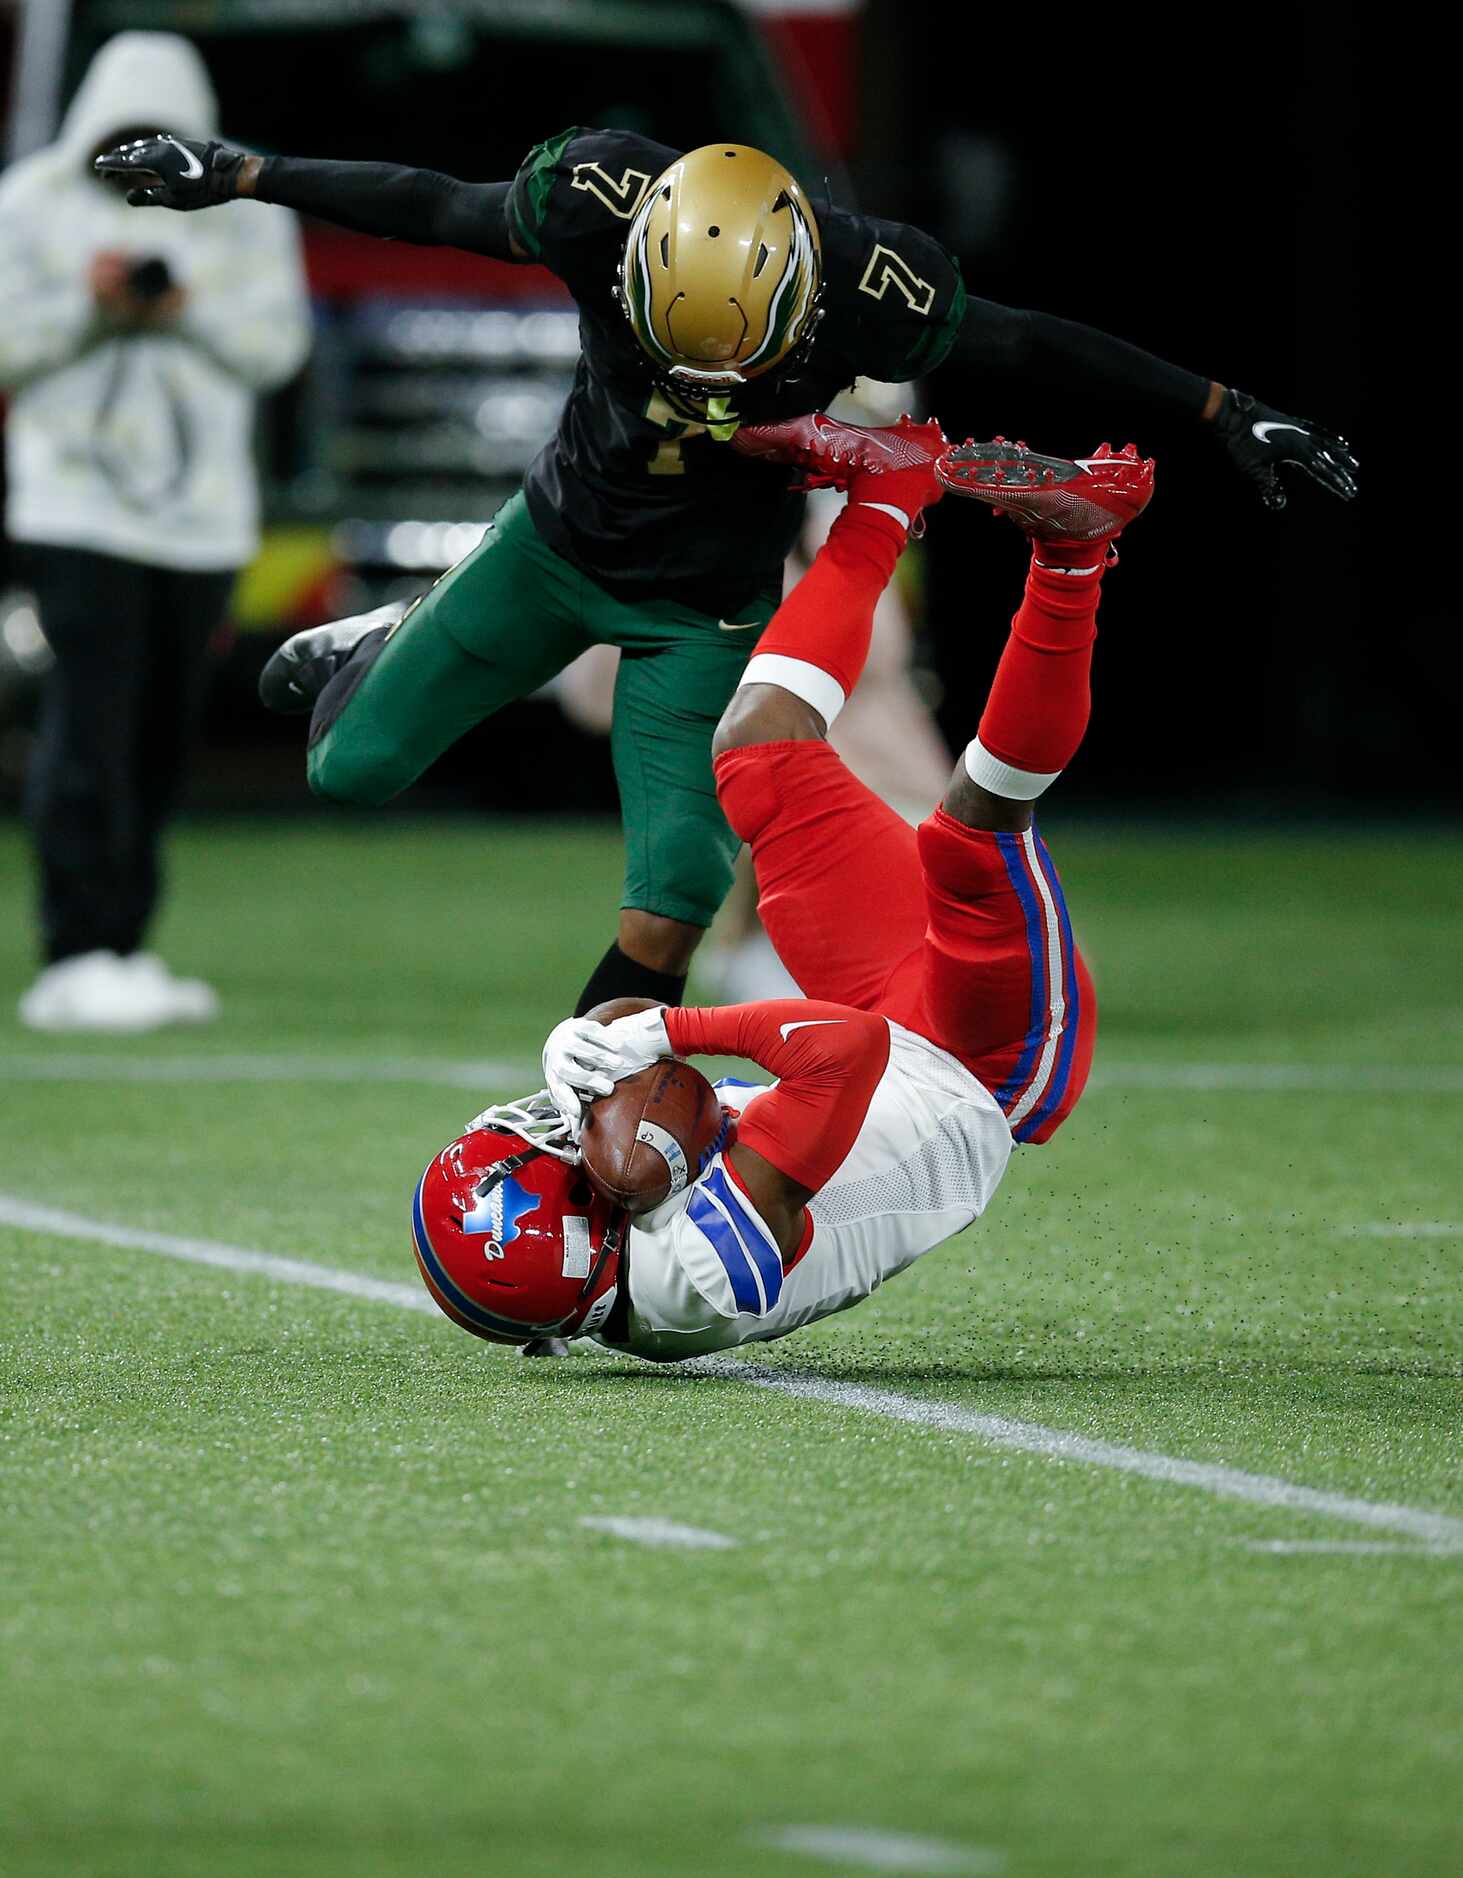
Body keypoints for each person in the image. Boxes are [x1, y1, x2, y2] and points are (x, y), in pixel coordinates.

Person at [95, 125, 1357, 1023]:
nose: (705, 392)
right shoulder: (591, 198)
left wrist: (1219, 406)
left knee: (676, 896)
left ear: (803, 305)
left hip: (702, 610)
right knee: (347, 770)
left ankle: (575, 1134)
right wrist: (241, 174)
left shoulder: (874, 284)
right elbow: (428, 200)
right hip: (555, 545)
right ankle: (388, 634)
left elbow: (1032, 340)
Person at [408, 412, 1146, 1359]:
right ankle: (1075, 554)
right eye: (558, 1152)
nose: (554, 1128)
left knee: (756, 748)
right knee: (971, 829)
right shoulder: (700, 1273)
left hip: (890, 1034)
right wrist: (668, 1030)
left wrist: (597, 1040)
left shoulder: (608, 1270)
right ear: (594, 1224)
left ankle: (885, 489)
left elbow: (564, 1287)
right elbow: (844, 1046)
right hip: (983, 1070)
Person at [0, 34, 311, 1032]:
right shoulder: (30, 201)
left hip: (204, 518)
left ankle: (125, 946)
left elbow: (277, 348)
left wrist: (185, 306)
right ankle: (75, 947)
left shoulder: (242, 207)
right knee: (89, 722)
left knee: (160, 734)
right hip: (75, 503)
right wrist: (84, 309)